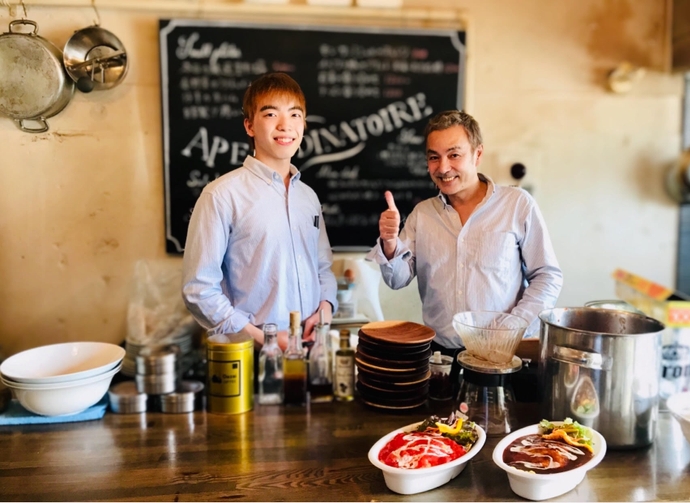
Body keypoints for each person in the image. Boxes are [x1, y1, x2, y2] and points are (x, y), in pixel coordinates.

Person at [366, 110, 563, 382]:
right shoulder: (422, 214)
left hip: (505, 357)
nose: (443, 167)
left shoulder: (516, 204)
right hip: (441, 358)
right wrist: (389, 243)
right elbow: (397, 280)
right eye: (434, 157)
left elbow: (548, 276)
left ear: (477, 155)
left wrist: (513, 325)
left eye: (454, 155)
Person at [182, 72, 337, 351]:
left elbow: (323, 267)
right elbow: (199, 290)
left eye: (294, 115)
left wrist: (324, 309)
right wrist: (259, 336)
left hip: (313, 349)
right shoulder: (221, 194)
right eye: (270, 114)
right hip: (252, 355)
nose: (285, 126)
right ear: (249, 126)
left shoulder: (308, 197)